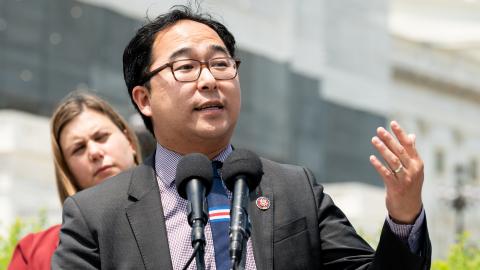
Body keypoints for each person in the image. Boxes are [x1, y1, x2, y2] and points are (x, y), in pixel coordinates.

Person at [52, 5, 431, 270]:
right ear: (144, 99)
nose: (209, 80)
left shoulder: (294, 189)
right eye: (185, 67)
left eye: (221, 64)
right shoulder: (96, 216)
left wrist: (403, 214)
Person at [8, 92, 141, 270]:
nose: (94, 152)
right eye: (78, 148)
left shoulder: (182, 215)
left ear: (130, 141)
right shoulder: (33, 252)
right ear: (68, 171)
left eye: (101, 137)